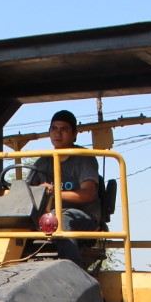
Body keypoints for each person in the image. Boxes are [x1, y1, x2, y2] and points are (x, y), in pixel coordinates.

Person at [28, 110, 102, 268]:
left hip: (84, 216)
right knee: (19, 222)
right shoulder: (42, 162)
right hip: (49, 217)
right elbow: (27, 193)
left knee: (61, 219)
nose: (58, 133)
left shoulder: (84, 158)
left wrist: (54, 193)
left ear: (74, 134)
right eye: (54, 129)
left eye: (64, 129)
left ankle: (72, 276)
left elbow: (87, 195)